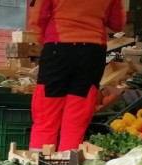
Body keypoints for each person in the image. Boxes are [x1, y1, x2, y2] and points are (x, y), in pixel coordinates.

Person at [28, 0, 126, 152]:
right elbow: (117, 23)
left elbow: (38, 16)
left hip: (57, 47)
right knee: (77, 115)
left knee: (46, 113)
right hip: (92, 52)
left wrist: (45, 39)